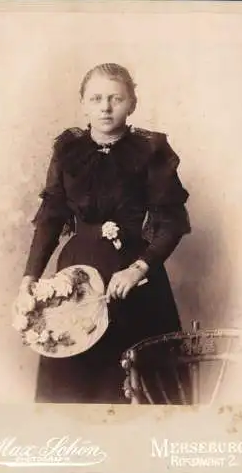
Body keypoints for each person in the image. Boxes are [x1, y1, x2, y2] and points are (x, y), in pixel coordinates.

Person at [15, 63, 191, 404]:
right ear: (83, 103)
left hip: (133, 278)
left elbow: (170, 223)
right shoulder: (67, 151)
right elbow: (52, 218)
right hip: (75, 278)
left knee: (135, 386)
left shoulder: (151, 151)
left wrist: (139, 267)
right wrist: (29, 278)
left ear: (132, 104)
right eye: (96, 98)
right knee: (74, 385)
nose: (106, 107)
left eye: (115, 98)